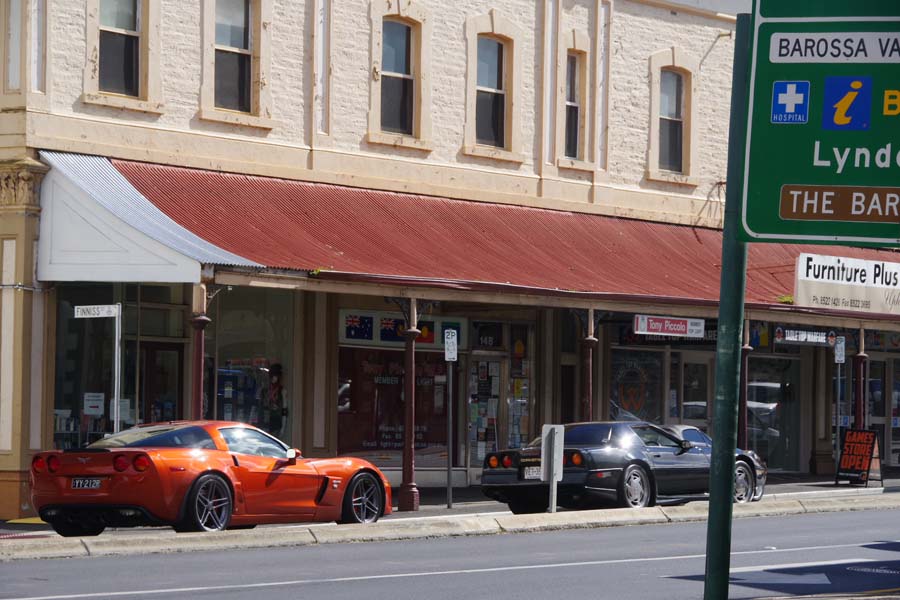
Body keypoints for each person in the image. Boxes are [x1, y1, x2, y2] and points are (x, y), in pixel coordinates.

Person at [267, 363, 286, 436]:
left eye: (275, 376)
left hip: (277, 420)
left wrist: (283, 428)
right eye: (271, 376)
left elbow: (284, 409)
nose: (273, 378)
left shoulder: (281, 390)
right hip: (268, 419)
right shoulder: (268, 389)